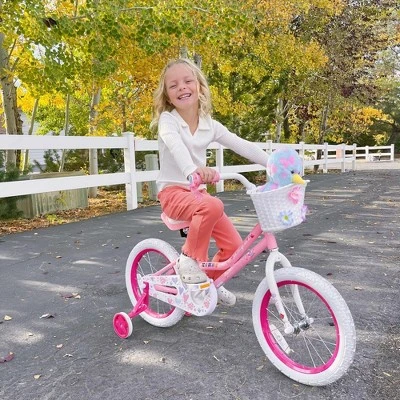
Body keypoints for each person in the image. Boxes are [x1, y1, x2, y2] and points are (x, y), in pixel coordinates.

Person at [151, 58, 269, 306]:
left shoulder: (209, 125)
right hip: (173, 193)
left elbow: (241, 145)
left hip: (197, 195)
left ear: (199, 86)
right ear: (167, 96)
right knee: (213, 204)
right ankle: (188, 260)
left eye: (187, 81)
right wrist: (192, 170)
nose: (182, 87)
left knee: (235, 248)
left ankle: (207, 286)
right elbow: (175, 145)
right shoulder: (168, 120)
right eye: (173, 85)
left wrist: (274, 164)